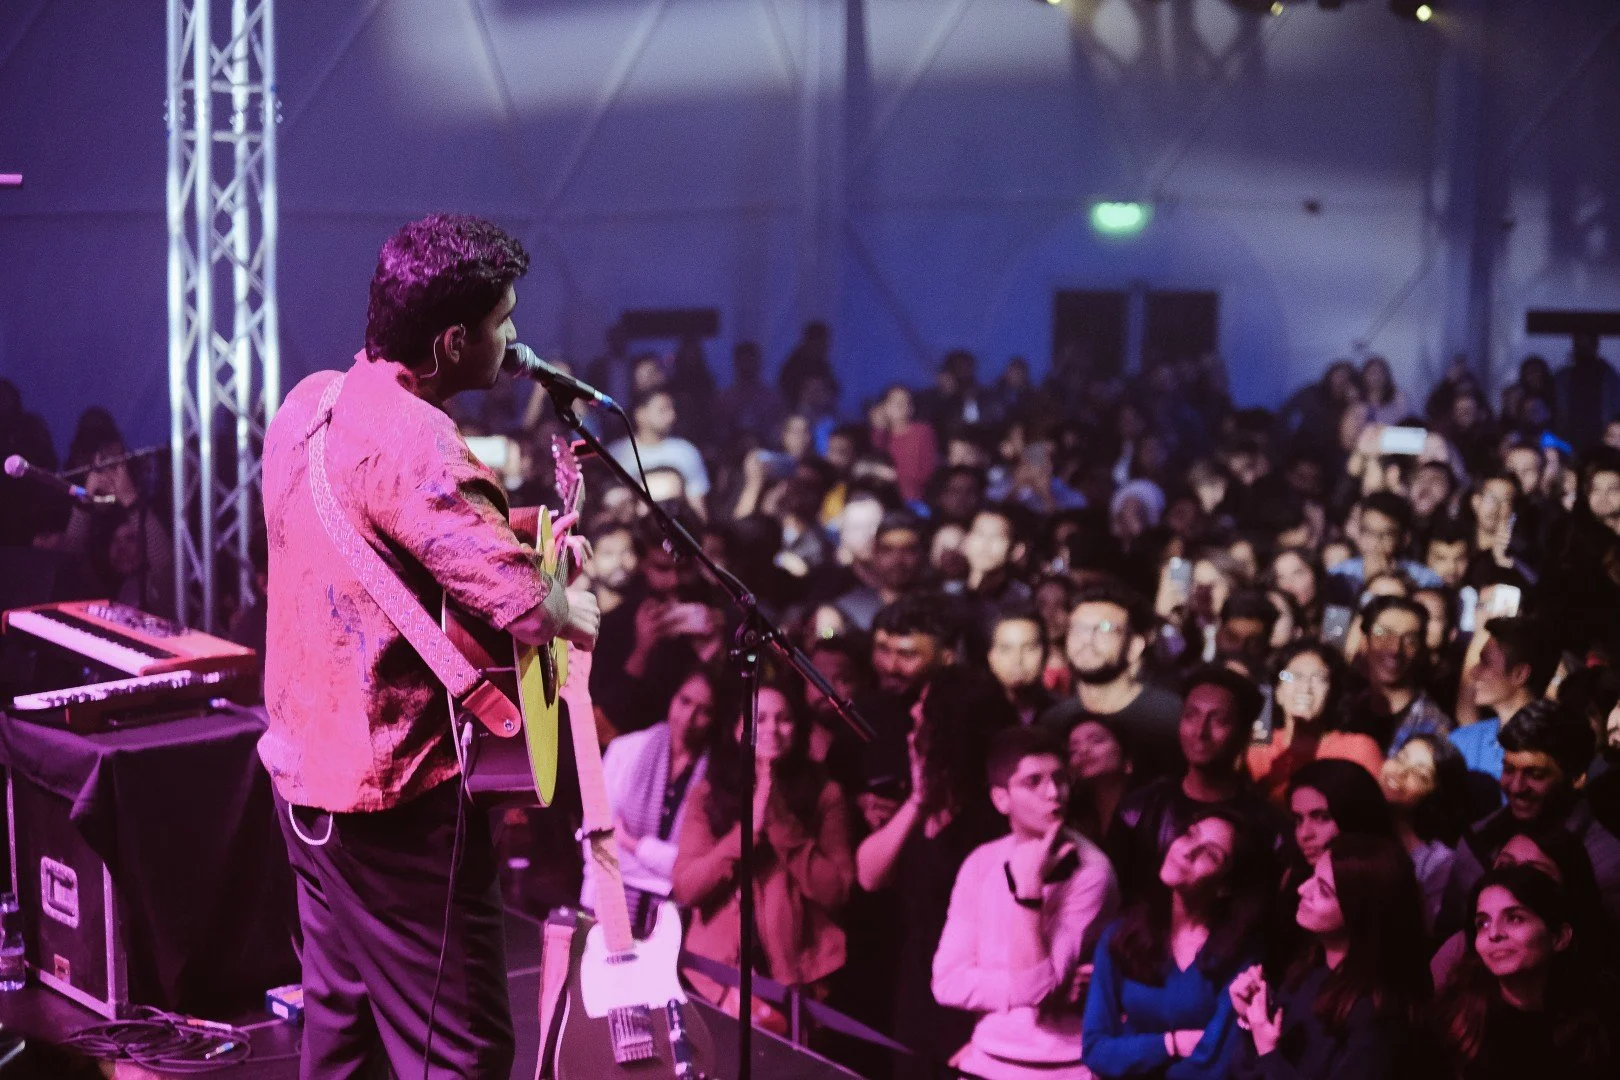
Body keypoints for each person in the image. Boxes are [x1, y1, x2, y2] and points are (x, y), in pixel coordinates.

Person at [259, 214, 601, 1077]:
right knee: (464, 1048)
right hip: (395, 800)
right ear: (453, 342)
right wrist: (572, 601)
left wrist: (522, 525)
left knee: (345, 1034)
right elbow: (527, 608)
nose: (516, 338)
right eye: (505, 322)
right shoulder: (422, 444)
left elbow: (377, 532)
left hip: (306, 779)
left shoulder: (311, 403)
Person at [932, 727, 1120, 1079]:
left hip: (1067, 1067)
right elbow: (947, 981)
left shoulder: (1092, 871)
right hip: (986, 1059)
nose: (1054, 794)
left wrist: (1029, 890)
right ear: (1001, 799)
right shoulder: (981, 862)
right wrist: (1033, 990)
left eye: (1060, 779)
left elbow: (1034, 988)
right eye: (1033, 781)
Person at [854, 665, 1014, 1079]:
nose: (911, 725)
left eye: (921, 715)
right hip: (915, 985)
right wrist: (919, 800)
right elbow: (870, 875)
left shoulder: (993, 818)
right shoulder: (924, 800)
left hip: (970, 1000)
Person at [674, 678, 854, 1016]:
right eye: (759, 719)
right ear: (737, 727)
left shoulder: (825, 793)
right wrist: (748, 831)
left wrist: (779, 819)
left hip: (796, 982)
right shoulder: (709, 793)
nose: (772, 729)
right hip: (715, 978)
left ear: (798, 728)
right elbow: (686, 888)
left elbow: (836, 890)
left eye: (783, 718)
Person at [1082, 808, 1273, 1080]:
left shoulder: (1238, 954)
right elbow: (1095, 1049)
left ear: (1225, 887)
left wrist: (1129, 1054)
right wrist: (1171, 1043)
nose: (1187, 851)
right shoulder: (1122, 934)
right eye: (1189, 834)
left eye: (1210, 853)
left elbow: (1214, 1066)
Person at [1229, 834, 1432, 1080]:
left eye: (1324, 891)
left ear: (1361, 910)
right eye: (1312, 876)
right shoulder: (1309, 967)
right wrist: (1250, 1020)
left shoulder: (1375, 1012)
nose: (1303, 889)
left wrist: (1268, 1050)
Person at [1106, 667, 1280, 897]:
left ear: (1243, 734)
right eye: (1191, 715)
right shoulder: (1138, 810)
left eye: (1219, 720)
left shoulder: (1266, 827)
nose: (1200, 731)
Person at [1434, 865, 1619, 1080]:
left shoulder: (1598, 1023)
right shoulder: (1454, 1025)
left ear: (1558, 937)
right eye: (1482, 923)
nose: (1493, 933)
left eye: (1514, 918)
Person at [1447, 700, 1620, 925]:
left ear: (1577, 777)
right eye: (1508, 769)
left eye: (1536, 774)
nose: (1517, 787)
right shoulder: (1477, 841)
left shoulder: (1605, 863)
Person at [584, 664, 718, 937]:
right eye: (685, 701)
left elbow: (695, 869)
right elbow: (597, 843)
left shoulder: (716, 775)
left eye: (704, 710)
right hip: (608, 902)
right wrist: (666, 865)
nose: (689, 717)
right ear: (672, 698)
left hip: (676, 920)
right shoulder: (626, 750)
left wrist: (633, 845)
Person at [1040, 579, 1185, 781]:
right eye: (1078, 628)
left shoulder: (1171, 718)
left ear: (1134, 646)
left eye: (1105, 629)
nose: (1087, 641)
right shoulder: (1053, 723)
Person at [1248, 642, 1384, 804]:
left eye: (1319, 679)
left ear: (1332, 692)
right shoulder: (1256, 750)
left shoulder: (1359, 750)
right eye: (1293, 677)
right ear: (1277, 692)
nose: (1305, 688)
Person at [1451, 616, 1560, 778]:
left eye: (1485, 663)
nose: (1474, 672)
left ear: (1520, 674)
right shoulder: (1462, 742)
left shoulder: (1556, 752)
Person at [1381, 734, 1468, 931]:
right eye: (1401, 758)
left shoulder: (1437, 863)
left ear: (1436, 797)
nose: (1401, 772)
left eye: (1420, 775)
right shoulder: (1351, 819)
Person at [1352, 596, 1453, 755]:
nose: (1395, 649)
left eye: (1410, 640)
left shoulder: (1433, 725)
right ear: (1365, 642)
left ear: (1421, 650)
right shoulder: (1345, 709)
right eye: (1383, 634)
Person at [606, 386, 711, 518]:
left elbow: (698, 508)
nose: (672, 416)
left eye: (672, 409)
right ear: (640, 415)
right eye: (663, 410)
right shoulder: (616, 453)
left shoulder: (686, 451)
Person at [1066, 715, 1134, 844]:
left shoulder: (1154, 803)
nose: (1083, 750)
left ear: (1124, 750)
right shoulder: (1073, 815)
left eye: (1096, 741)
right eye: (1073, 750)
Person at [986, 609, 1055, 725]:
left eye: (1029, 648)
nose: (1017, 660)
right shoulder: (975, 719)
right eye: (1006, 649)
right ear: (991, 657)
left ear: (1046, 654)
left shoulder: (1062, 717)